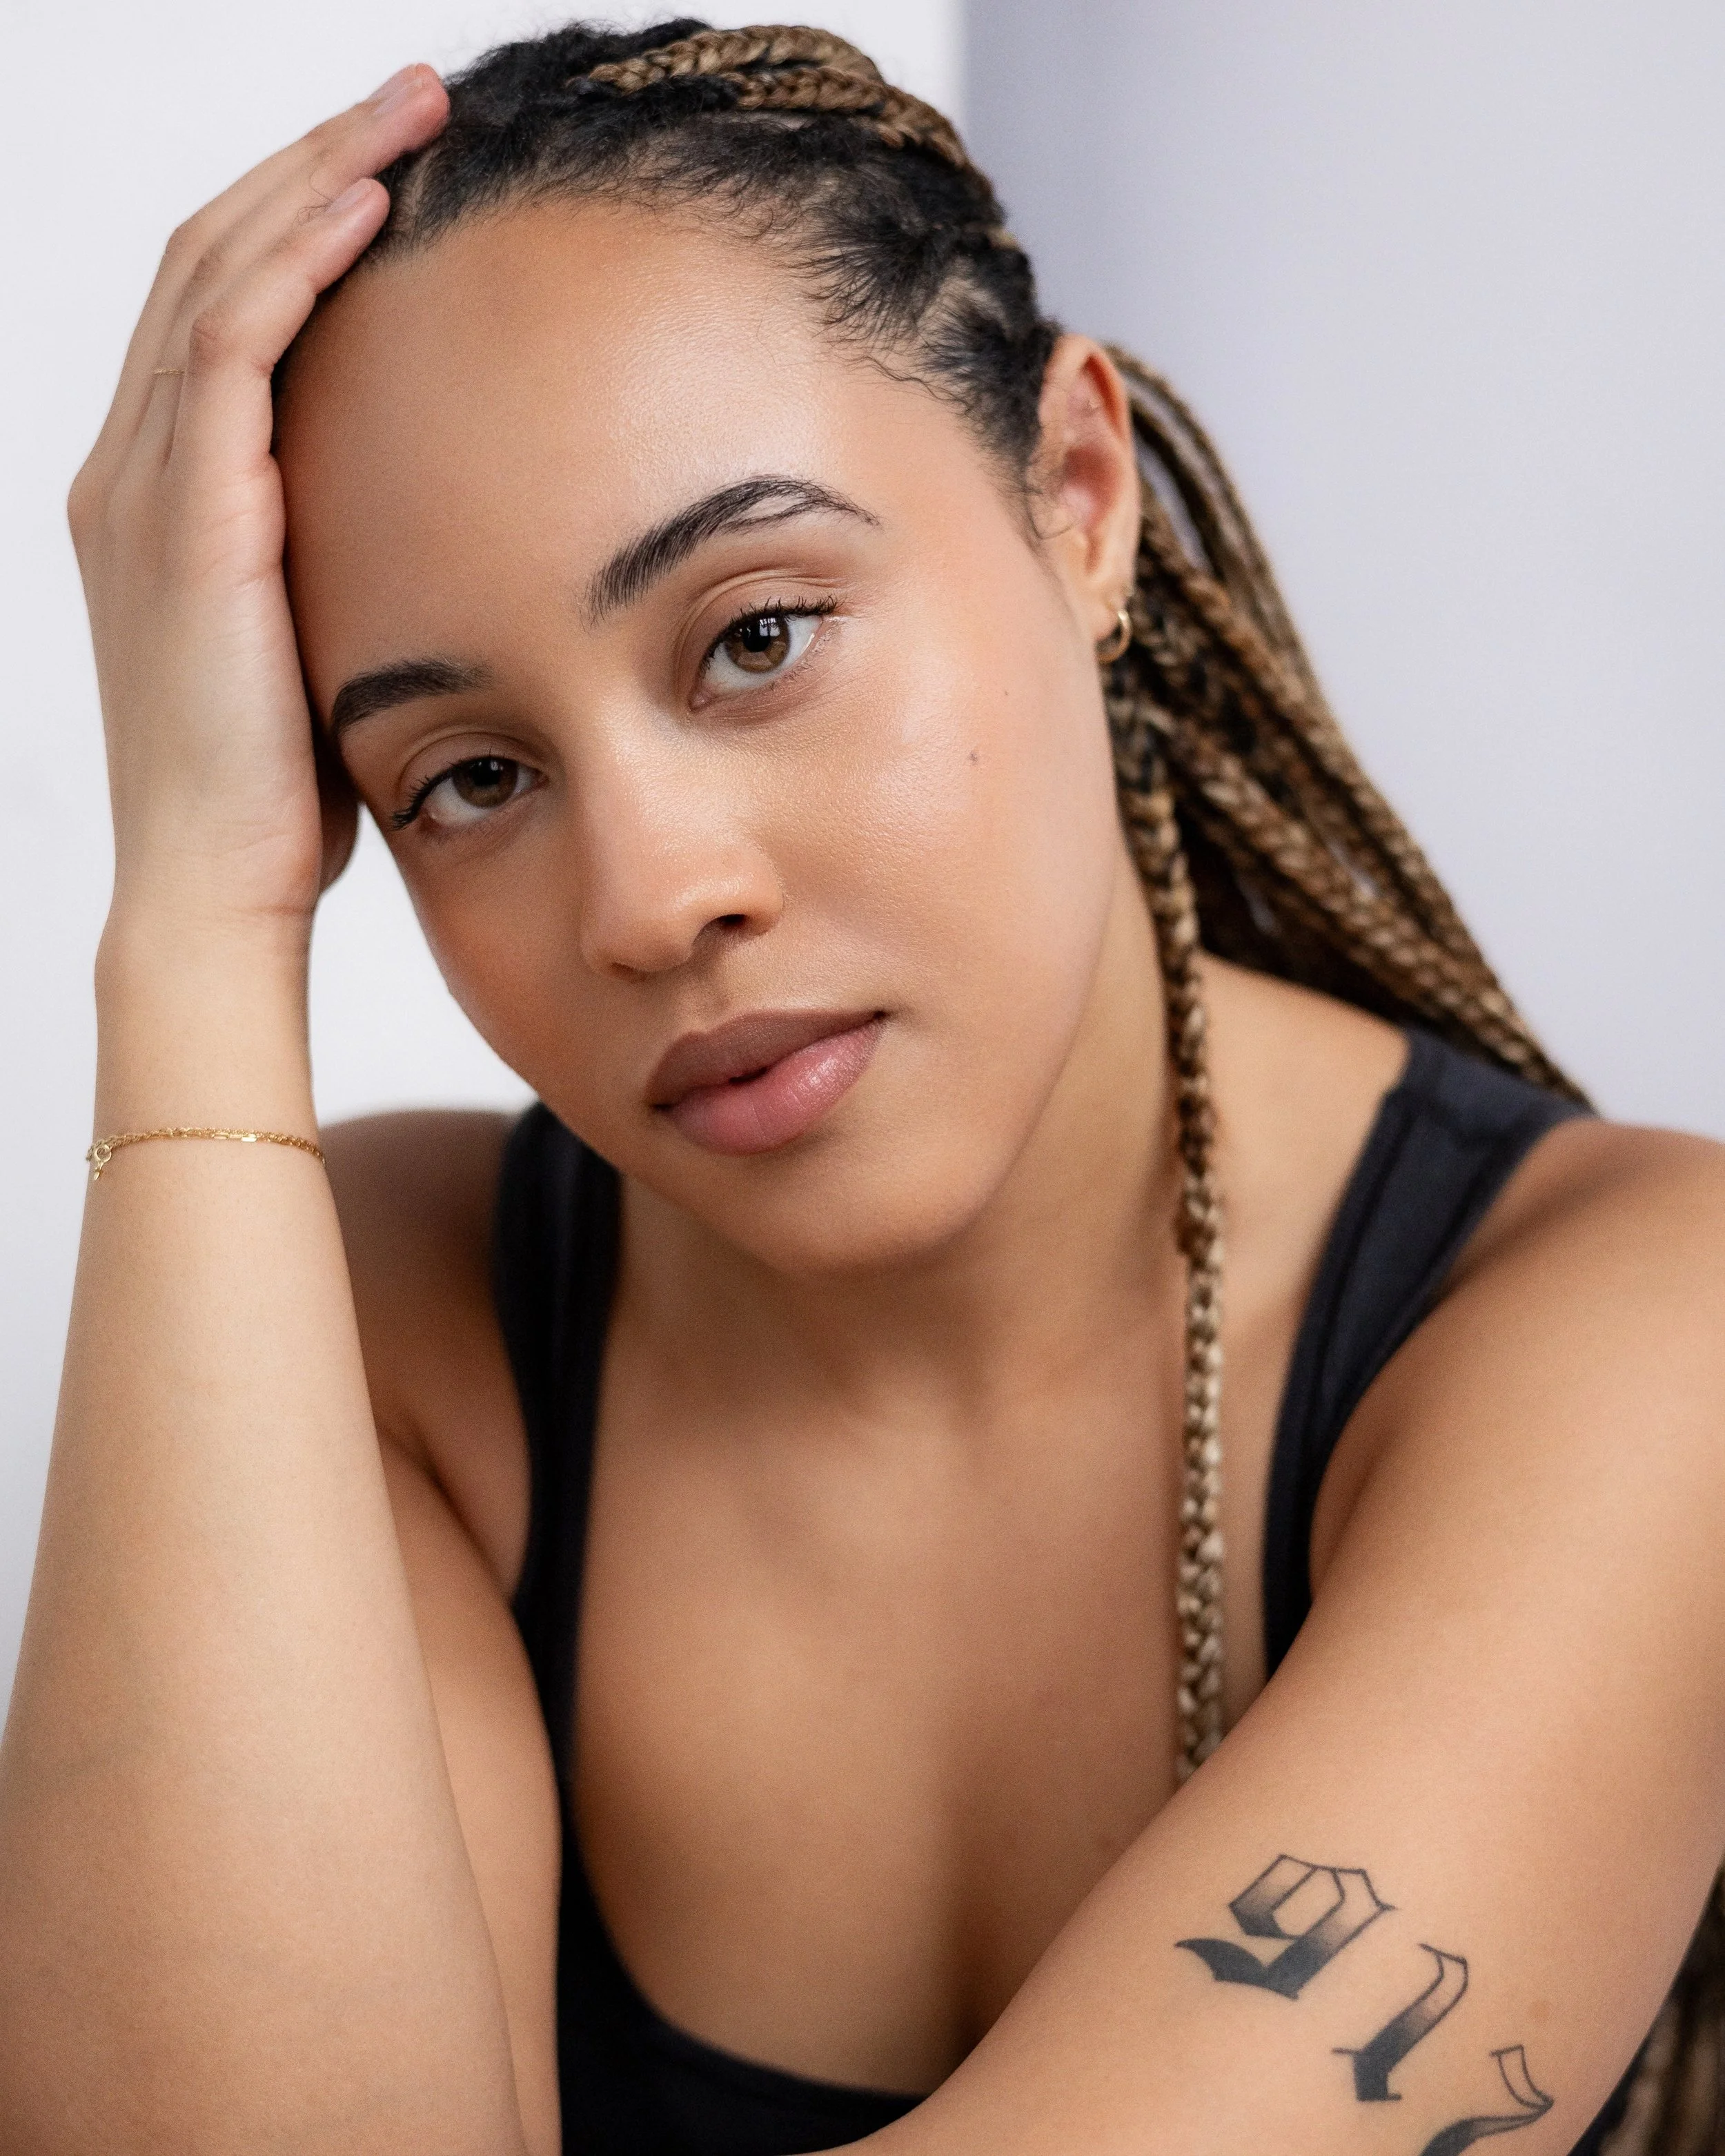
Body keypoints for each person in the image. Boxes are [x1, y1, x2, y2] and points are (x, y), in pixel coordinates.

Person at [3, 19, 1723, 2155]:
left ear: (1074, 501)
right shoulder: (387, 1328)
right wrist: (185, 912)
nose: (650, 896)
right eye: (467, 775)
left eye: (753, 636)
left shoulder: (1640, 1332)